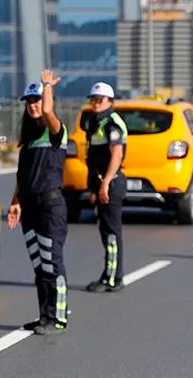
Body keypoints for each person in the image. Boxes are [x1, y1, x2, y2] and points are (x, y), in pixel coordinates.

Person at [6, 70, 69, 335]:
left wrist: (47, 87)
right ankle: (44, 316)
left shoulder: (56, 132)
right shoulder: (29, 140)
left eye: (37, 100)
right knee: (39, 265)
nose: (33, 105)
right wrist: (15, 202)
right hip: (30, 208)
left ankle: (58, 318)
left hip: (50, 207)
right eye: (29, 101)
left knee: (52, 263)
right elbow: (23, 176)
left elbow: (49, 112)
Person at [83, 82, 128, 293]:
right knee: (105, 230)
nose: (95, 103)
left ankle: (113, 278)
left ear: (110, 101)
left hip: (111, 182)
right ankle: (110, 274)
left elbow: (116, 155)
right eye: (93, 99)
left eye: (99, 100)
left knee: (111, 233)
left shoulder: (111, 123)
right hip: (101, 182)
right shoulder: (96, 121)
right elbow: (93, 157)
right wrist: (93, 187)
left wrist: (106, 183)